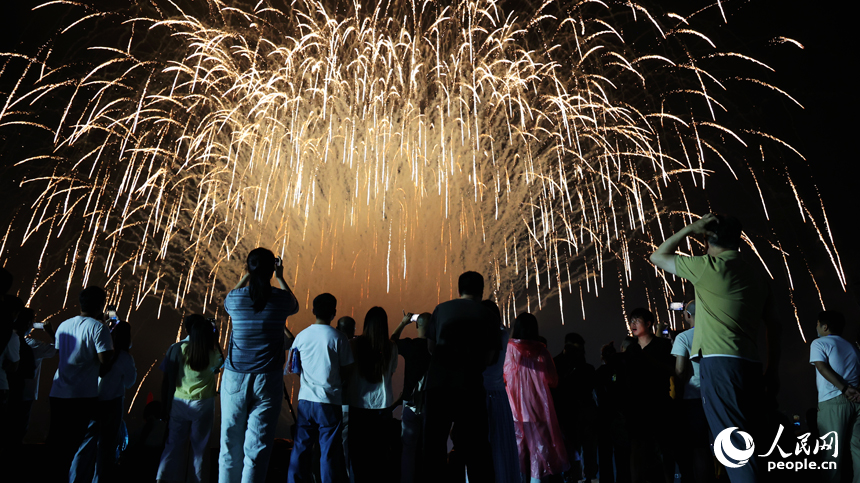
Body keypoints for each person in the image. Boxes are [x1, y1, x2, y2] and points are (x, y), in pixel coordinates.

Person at [650, 213, 780, 482]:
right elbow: (774, 327)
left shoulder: (707, 266)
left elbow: (658, 256)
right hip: (752, 364)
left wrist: (689, 228)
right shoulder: (756, 277)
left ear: (707, 238)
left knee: (732, 441)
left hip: (719, 364)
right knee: (750, 438)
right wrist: (773, 369)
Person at [220, 248, 300, 483]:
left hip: (235, 377)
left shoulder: (234, 299)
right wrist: (281, 277)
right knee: (257, 449)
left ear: (249, 268)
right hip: (268, 378)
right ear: (272, 269)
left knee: (228, 444)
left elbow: (230, 297)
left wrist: (246, 275)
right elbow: (294, 306)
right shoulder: (282, 300)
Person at [423, 271, 497, 483]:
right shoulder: (488, 316)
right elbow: (490, 357)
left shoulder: (441, 309)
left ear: (458, 289)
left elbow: (430, 347)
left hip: (438, 386)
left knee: (433, 446)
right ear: (481, 291)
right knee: (476, 448)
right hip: (470, 387)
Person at [48, 286, 115, 483]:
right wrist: (109, 334)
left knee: (57, 443)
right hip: (81, 395)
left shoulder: (64, 325)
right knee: (74, 444)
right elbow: (105, 360)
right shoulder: (99, 328)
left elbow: (61, 353)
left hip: (58, 392)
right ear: (101, 305)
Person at [287, 293, 353, 483]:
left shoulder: (301, 336)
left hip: (306, 400)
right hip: (329, 401)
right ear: (334, 313)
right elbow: (348, 370)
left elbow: (294, 368)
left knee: (300, 447)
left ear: (313, 310)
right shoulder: (339, 338)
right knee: (329, 450)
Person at [157, 314, 223, 483]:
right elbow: (220, 365)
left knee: (174, 445)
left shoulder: (177, 348)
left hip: (179, 402)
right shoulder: (212, 353)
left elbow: (167, 379)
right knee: (199, 448)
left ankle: (165, 478)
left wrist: (165, 405)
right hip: (204, 404)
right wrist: (214, 338)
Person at [504, 312, 569, 482]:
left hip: (514, 411)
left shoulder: (508, 349)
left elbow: (503, 377)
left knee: (517, 453)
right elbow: (553, 380)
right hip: (538, 410)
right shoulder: (541, 351)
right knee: (538, 455)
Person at [71, 320, 137, 483]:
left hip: (91, 402)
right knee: (106, 450)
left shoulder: (97, 351)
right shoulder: (125, 357)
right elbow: (130, 382)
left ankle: (76, 479)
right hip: (112, 404)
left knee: (84, 447)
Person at [346, 307, 399, 483]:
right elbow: (390, 373)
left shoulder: (353, 344)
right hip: (382, 408)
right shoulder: (391, 348)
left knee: (358, 455)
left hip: (357, 406)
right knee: (380, 455)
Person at [809, 311, 860, 483]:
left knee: (831, 454)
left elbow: (822, 368)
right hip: (857, 401)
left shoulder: (819, 343)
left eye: (817, 324)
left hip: (834, 400)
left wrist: (844, 388)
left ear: (825, 326)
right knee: (859, 451)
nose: (816, 327)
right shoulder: (852, 346)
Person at [625, 307, 674, 483]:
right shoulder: (631, 350)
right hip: (637, 407)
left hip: (659, 402)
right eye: (631, 321)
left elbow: (672, 370)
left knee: (664, 448)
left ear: (648, 323)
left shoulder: (663, 345)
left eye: (636, 321)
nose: (632, 325)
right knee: (637, 449)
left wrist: (648, 359)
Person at [671, 301, 714, 483]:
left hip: (693, 398)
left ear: (687, 315)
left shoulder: (683, 338)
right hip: (716, 397)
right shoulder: (715, 335)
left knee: (698, 447)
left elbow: (680, 371)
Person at [480, 300, 519, 483]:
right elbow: (503, 327)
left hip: (480, 395)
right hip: (498, 395)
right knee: (501, 444)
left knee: (480, 445)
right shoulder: (503, 335)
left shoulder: (477, 338)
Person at [391, 311, 433, 483]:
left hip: (410, 404)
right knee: (430, 448)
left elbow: (392, 341)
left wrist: (403, 323)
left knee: (408, 449)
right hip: (430, 405)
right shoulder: (437, 349)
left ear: (417, 326)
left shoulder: (411, 346)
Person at [553, 332, 597, 483]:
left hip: (580, 414)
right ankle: (577, 474)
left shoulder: (581, 367)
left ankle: (586, 474)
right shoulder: (557, 365)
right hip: (568, 414)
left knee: (584, 448)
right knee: (573, 449)